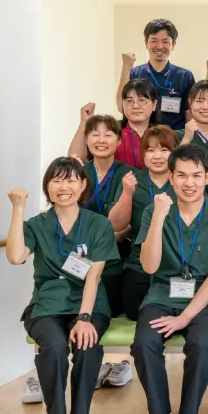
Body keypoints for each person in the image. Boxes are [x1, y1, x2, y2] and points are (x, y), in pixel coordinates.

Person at [132, 144, 208, 414]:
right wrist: (158, 218)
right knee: (144, 343)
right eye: (181, 175)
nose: (188, 183)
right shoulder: (155, 211)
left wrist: (184, 318)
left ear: (207, 177)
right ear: (170, 177)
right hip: (163, 292)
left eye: (196, 175)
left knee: (201, 344)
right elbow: (149, 266)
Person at [6, 158, 119, 414]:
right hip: (47, 305)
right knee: (54, 347)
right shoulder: (37, 224)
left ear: (82, 185)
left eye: (70, 180)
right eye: (56, 180)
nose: (63, 187)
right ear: (47, 187)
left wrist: (84, 318)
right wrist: (18, 209)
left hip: (89, 304)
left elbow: (93, 276)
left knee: (87, 345)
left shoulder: (99, 224)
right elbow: (16, 257)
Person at [110, 126, 180, 321]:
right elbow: (116, 225)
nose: (157, 156)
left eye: (164, 150)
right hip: (140, 262)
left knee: (178, 309)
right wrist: (127, 193)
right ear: (142, 154)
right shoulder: (132, 180)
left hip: (176, 263)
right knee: (136, 311)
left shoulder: (184, 181)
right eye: (150, 150)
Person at [78, 115, 133, 318]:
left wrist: (114, 236)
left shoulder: (130, 175)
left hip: (114, 255)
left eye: (108, 135)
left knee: (110, 309)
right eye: (95, 134)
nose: (101, 140)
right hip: (80, 253)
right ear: (86, 139)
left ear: (118, 141)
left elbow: (134, 219)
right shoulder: (77, 172)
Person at [118, 18, 195, 130]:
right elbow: (121, 107)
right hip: (142, 137)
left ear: (173, 44)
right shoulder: (134, 73)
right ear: (146, 43)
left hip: (175, 137)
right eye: (154, 41)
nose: (159, 46)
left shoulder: (185, 76)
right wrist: (126, 67)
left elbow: (190, 118)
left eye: (165, 42)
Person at [68, 81, 158, 170]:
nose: (135, 106)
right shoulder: (110, 130)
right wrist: (84, 123)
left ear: (154, 104)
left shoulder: (161, 134)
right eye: (129, 101)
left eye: (142, 100)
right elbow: (75, 161)